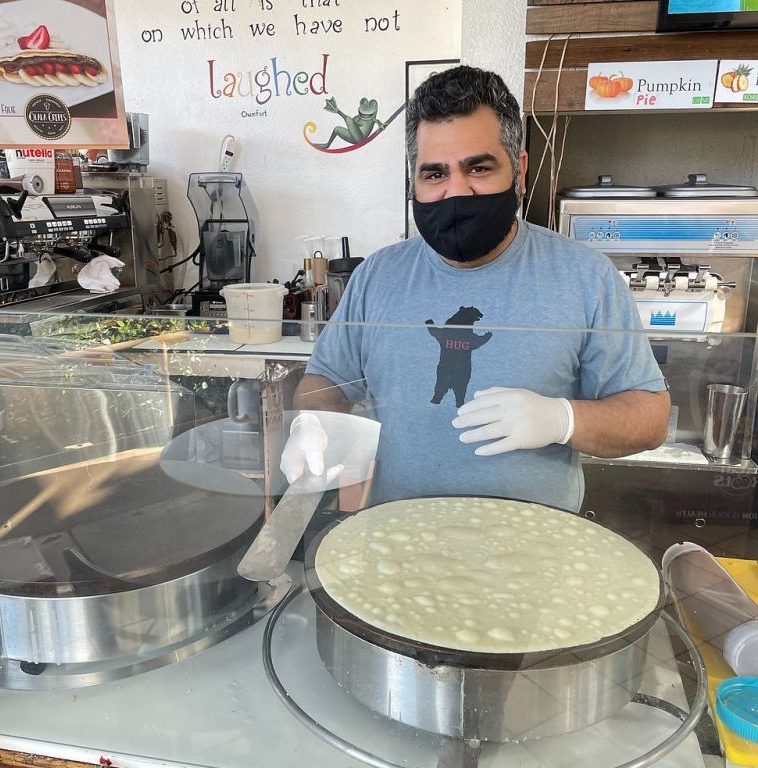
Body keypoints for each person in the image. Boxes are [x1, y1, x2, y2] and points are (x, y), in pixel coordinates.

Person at [281, 65, 670, 512]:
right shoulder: (377, 277)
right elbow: (328, 377)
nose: (456, 192)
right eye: (434, 175)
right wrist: (311, 422)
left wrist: (563, 419)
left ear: (518, 171)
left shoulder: (586, 277)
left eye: (478, 168)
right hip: (398, 542)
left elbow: (650, 417)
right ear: (414, 179)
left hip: (537, 548)